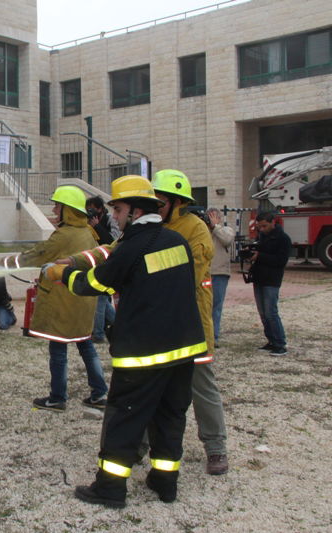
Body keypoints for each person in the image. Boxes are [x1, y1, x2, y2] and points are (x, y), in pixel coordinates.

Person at [42, 175, 206, 508]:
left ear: (133, 211)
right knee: (170, 417)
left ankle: (110, 489)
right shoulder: (175, 241)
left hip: (145, 353)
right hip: (185, 348)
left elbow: (95, 283)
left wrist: (59, 274)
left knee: (124, 418)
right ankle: (165, 482)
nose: (113, 216)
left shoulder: (134, 245)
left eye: (117, 209)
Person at [1, 186, 108, 412]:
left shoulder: (63, 235)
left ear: (67, 210)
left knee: (58, 351)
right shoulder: (88, 233)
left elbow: (38, 255)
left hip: (63, 304)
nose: (53, 209)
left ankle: (57, 398)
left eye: (57, 206)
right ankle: (99, 393)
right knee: (86, 346)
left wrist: (5, 262)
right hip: (83, 303)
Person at [151, 169, 228, 476]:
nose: (154, 207)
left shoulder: (195, 229)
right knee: (152, 385)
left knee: (202, 387)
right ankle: (143, 442)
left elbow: (188, 270)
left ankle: (216, 448)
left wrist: (144, 270)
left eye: (159, 201)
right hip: (159, 322)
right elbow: (121, 255)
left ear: (175, 201)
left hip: (192, 324)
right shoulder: (152, 228)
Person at [249, 211, 291, 356]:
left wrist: (260, 256)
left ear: (273, 222)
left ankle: (280, 343)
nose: (262, 229)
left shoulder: (283, 239)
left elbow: (281, 260)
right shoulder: (262, 236)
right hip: (259, 277)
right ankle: (271, 340)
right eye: (259, 227)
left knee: (271, 312)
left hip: (272, 280)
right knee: (263, 313)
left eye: (264, 226)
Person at [86, 196, 118, 343]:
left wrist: (98, 226)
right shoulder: (90, 223)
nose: (90, 213)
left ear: (100, 208)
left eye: (92, 209)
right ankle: (120, 326)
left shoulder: (111, 219)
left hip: (110, 264)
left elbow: (113, 242)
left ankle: (98, 334)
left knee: (100, 297)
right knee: (103, 299)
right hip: (97, 264)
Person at [207, 207, 236, 345]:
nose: (210, 219)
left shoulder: (226, 230)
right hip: (204, 273)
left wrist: (215, 227)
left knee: (216, 306)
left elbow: (227, 240)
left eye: (213, 216)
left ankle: (214, 337)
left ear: (219, 218)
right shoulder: (203, 231)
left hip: (219, 274)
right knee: (203, 305)